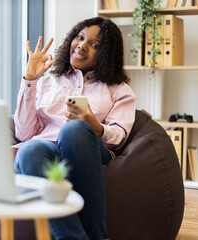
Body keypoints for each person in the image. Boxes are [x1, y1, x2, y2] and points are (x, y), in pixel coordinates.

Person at [13, 17, 137, 240]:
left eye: (94, 44)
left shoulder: (119, 90)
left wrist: (94, 126)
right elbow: (24, 133)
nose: (82, 45)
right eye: (80, 37)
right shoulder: (47, 82)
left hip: (87, 147)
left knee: (74, 130)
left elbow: (119, 137)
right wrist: (30, 79)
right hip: (47, 149)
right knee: (29, 149)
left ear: (107, 53)